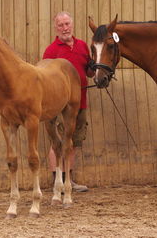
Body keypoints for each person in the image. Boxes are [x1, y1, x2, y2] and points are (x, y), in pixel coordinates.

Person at [43, 11, 95, 192]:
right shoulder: (52, 50)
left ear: (71, 25)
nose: (65, 28)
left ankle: (69, 180)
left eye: (67, 24)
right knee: (57, 141)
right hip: (59, 103)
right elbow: (45, 78)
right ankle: (57, 178)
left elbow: (88, 72)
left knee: (73, 141)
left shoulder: (82, 45)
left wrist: (94, 68)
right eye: (60, 25)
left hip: (79, 101)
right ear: (55, 28)